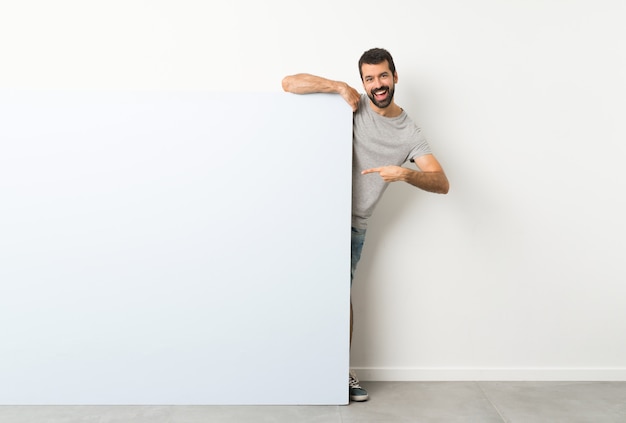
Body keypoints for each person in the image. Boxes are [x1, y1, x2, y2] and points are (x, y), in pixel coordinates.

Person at [282, 48, 449, 402]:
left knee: (340, 298)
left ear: (395, 76)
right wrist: (336, 86)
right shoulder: (353, 104)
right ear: (364, 82)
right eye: (369, 78)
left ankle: (339, 373)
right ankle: (299, 369)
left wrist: (405, 173)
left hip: (353, 227)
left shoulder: (408, 131)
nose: (378, 85)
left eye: (383, 76)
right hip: (316, 217)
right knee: (299, 292)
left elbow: (441, 182)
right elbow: (288, 83)